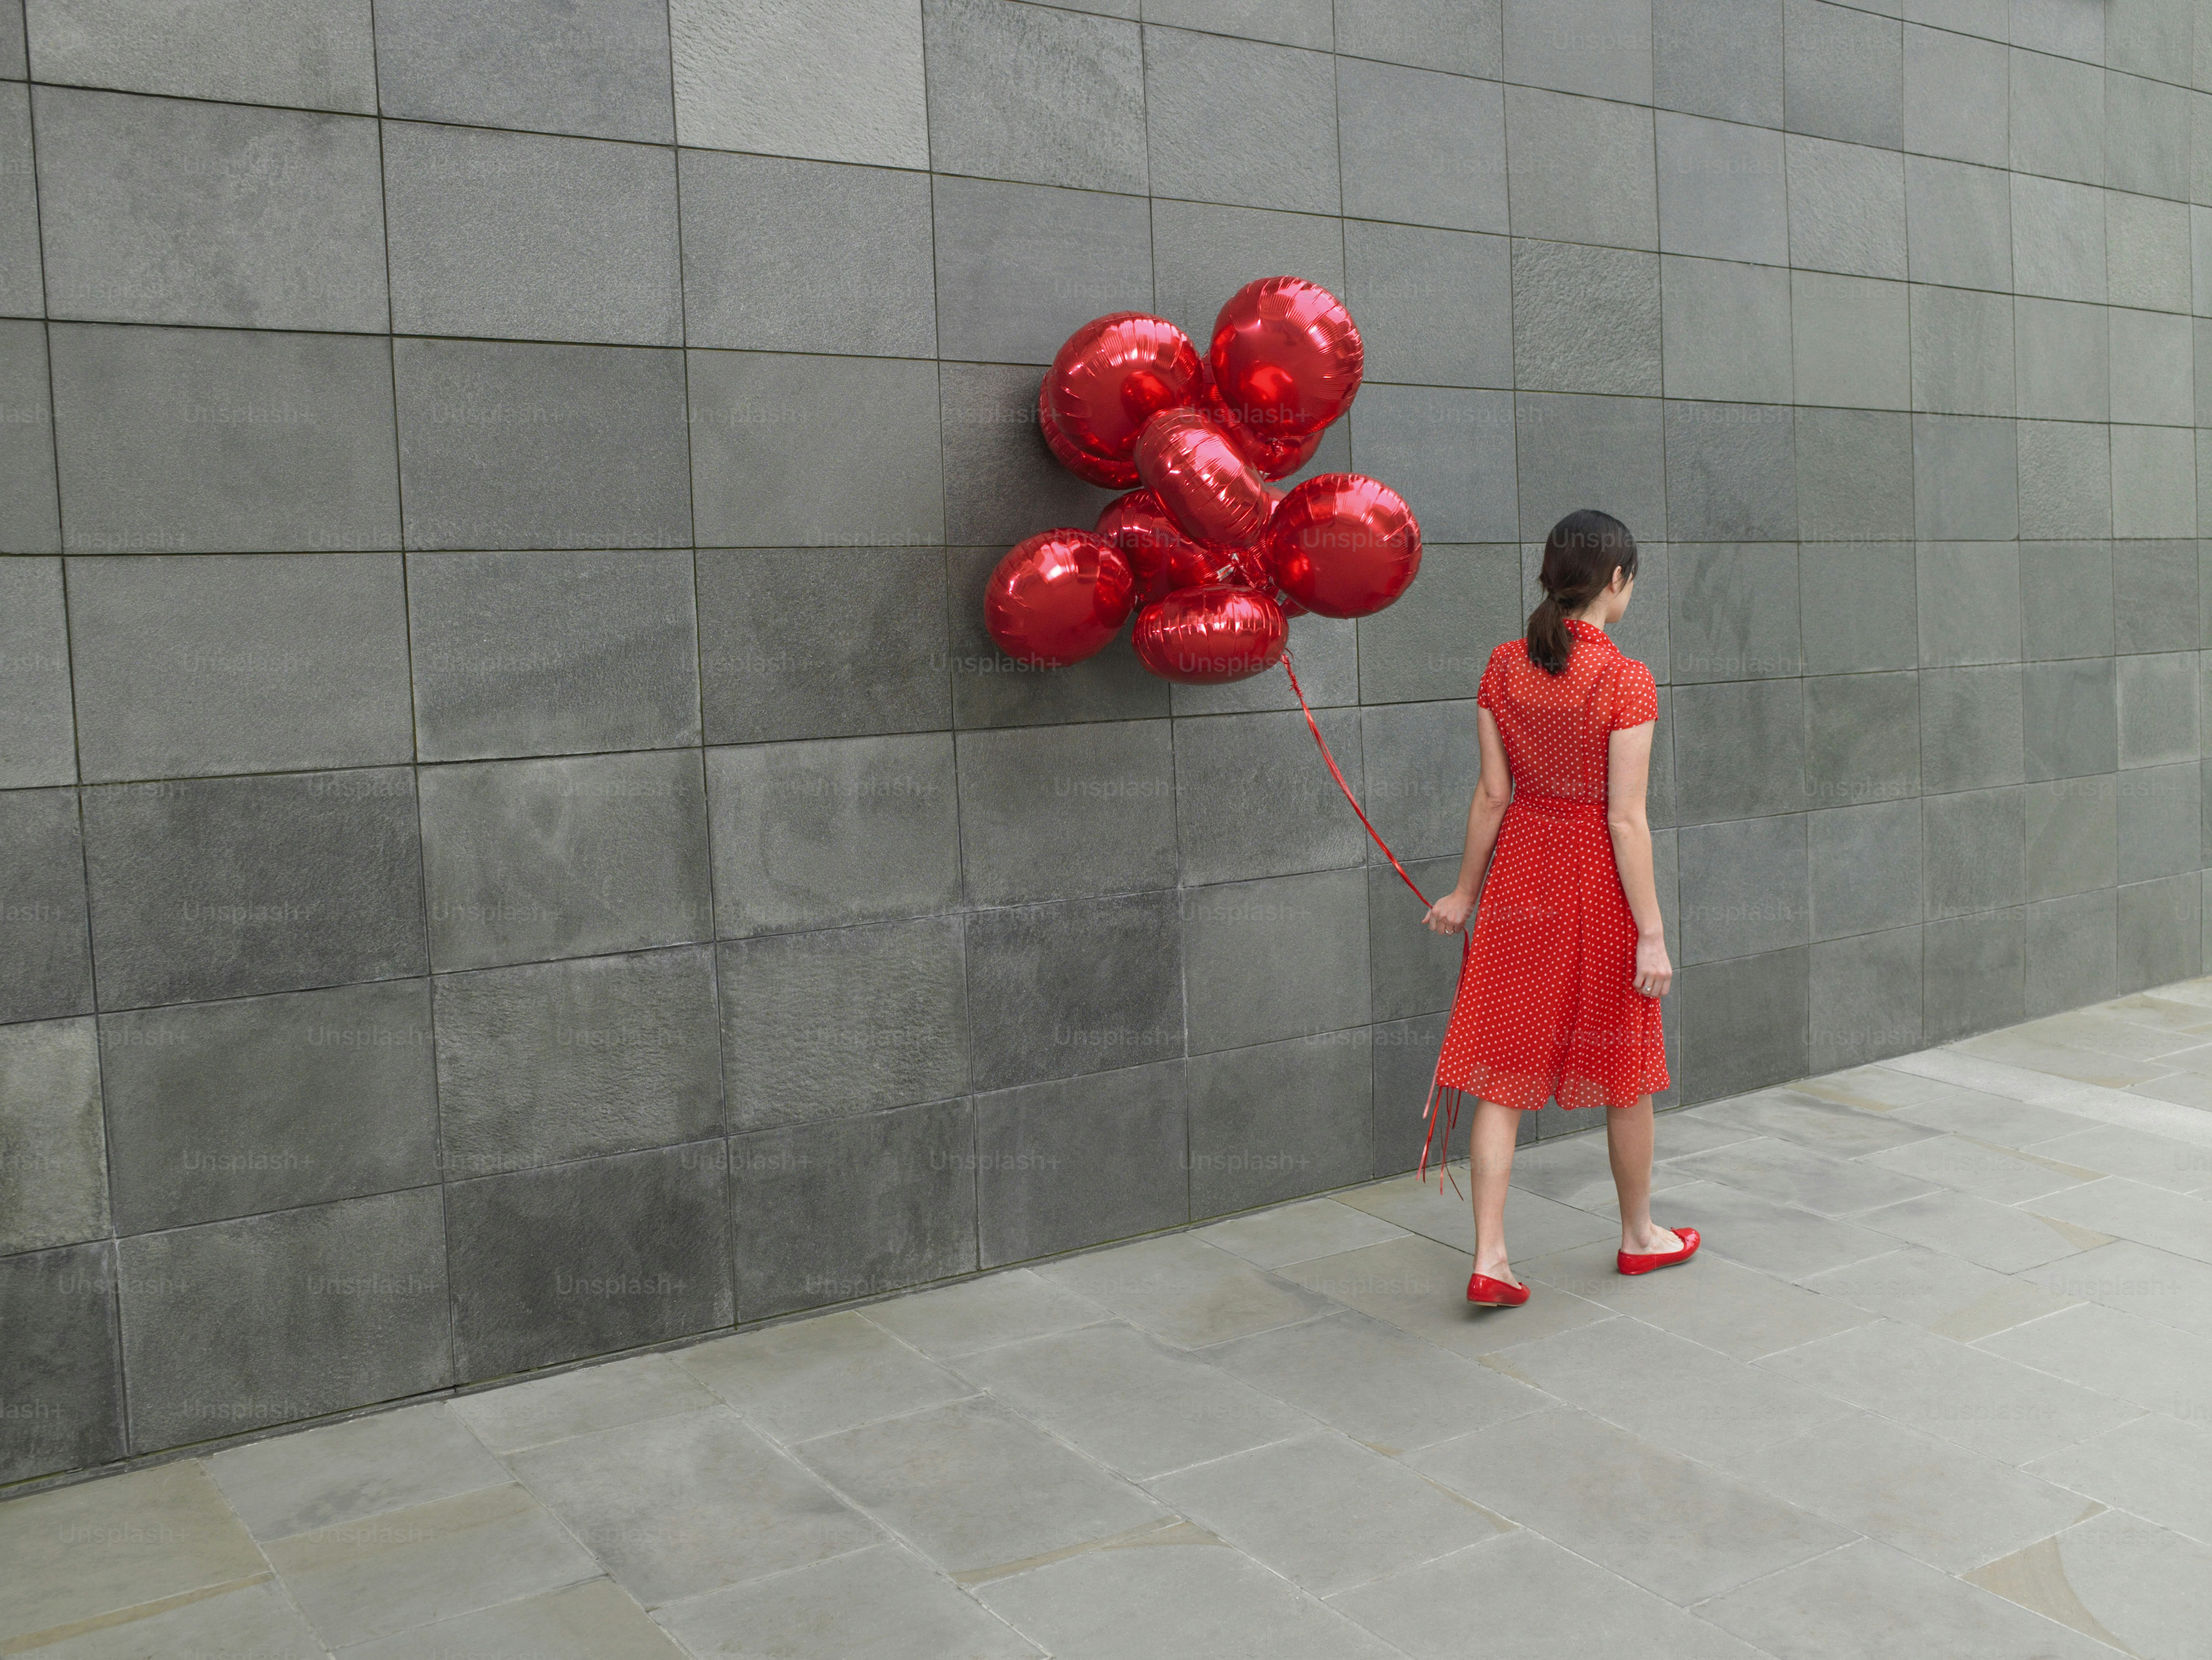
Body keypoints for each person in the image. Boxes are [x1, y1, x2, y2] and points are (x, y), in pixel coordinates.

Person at [1419, 509, 1699, 1306]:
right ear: (1616, 579)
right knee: (1626, 1072)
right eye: (1632, 578)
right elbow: (1625, 817)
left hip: (1519, 883)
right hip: (1597, 890)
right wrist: (1652, 933)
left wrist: (1464, 894)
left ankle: (1492, 1259)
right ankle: (1640, 1236)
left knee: (1500, 1078)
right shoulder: (1626, 678)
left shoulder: (1504, 667)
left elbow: (1493, 794)